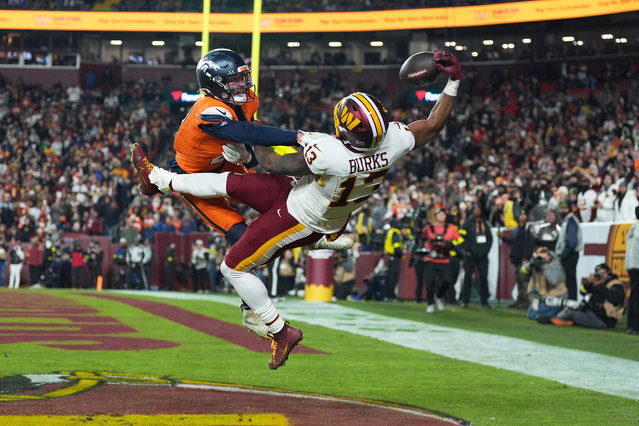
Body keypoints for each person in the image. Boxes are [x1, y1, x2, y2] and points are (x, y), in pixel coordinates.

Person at [132, 50, 462, 369]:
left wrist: (281, 143)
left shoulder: (331, 153)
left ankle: (280, 331)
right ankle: (159, 178)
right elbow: (432, 126)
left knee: (233, 268)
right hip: (311, 201)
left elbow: (274, 162)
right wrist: (453, 81)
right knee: (227, 183)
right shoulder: (394, 142)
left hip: (299, 216)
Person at [132, 48, 299, 246]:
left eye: (243, 77)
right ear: (214, 84)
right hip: (192, 175)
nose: (242, 85)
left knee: (277, 200)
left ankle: (310, 237)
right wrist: (298, 137)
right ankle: (156, 180)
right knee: (241, 236)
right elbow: (250, 133)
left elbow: (252, 139)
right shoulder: (210, 109)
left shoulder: (248, 100)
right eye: (234, 80)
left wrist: (247, 158)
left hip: (226, 163)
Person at [550, 264, 626, 329]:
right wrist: (588, 282)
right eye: (598, 273)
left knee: (570, 313)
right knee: (568, 309)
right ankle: (559, 320)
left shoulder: (615, 284)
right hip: (590, 312)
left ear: (609, 274)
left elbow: (616, 300)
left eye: (603, 273)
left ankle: (552, 320)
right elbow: (583, 292)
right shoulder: (596, 282)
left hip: (604, 320)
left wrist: (600, 285)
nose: (601, 275)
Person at [418, 207, 464, 312]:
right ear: (435, 216)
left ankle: (439, 296)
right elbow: (421, 236)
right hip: (431, 258)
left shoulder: (451, 229)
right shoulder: (429, 228)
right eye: (440, 214)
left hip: (444, 259)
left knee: (447, 281)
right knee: (429, 282)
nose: (442, 216)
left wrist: (452, 244)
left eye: (444, 215)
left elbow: (460, 240)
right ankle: (430, 303)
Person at [497, 211, 535, 309]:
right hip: (516, 260)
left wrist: (526, 259)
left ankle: (526, 302)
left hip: (523, 261)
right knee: (519, 281)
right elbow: (512, 242)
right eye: (521, 214)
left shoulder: (527, 230)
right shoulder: (517, 229)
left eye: (524, 214)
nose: (522, 216)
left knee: (524, 281)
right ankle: (520, 300)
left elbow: (529, 246)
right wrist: (503, 237)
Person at [458, 204, 493, 309]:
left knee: (484, 278)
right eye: (475, 209)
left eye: (479, 209)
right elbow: (460, 238)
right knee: (467, 278)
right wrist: (468, 250)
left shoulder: (485, 224)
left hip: (483, 256)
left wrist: (485, 251)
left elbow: (490, 239)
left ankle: (485, 301)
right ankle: (464, 300)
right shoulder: (467, 224)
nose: (477, 211)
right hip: (470, 256)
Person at [521, 246, 567, 320]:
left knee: (535, 314)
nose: (541, 260)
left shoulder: (556, 265)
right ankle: (553, 314)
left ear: (548, 256)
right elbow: (523, 270)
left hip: (555, 298)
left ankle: (558, 314)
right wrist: (530, 264)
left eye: (543, 258)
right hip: (542, 298)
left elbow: (554, 280)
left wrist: (543, 267)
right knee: (530, 314)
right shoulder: (536, 264)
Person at [555, 201, 582, 300]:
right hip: (569, 254)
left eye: (565, 208)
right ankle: (570, 302)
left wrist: (563, 255)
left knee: (570, 280)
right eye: (561, 208)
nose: (563, 210)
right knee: (569, 280)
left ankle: (571, 302)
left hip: (570, 255)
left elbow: (571, 242)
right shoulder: (568, 220)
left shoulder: (571, 221)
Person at [625, 206, 639, 335]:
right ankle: (635, 326)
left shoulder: (633, 227)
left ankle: (631, 324)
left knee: (634, 295)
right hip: (637, 264)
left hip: (630, 264)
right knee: (637, 296)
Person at [383, 219, 404, 301]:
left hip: (390, 257)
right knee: (394, 277)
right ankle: (391, 296)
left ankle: (388, 295)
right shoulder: (395, 232)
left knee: (390, 277)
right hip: (394, 257)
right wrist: (401, 254)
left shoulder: (390, 231)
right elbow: (396, 247)